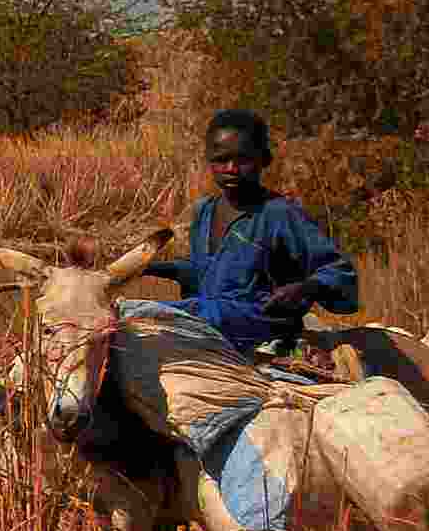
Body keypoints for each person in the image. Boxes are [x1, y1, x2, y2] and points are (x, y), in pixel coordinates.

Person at [144, 107, 357, 359]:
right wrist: (149, 267)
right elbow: (205, 272)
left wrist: (305, 288)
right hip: (211, 321)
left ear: (264, 159)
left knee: (148, 316)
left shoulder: (278, 214)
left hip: (258, 324)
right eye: (221, 160)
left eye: (243, 160)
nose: (231, 168)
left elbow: (340, 273)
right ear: (209, 159)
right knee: (132, 315)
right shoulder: (204, 211)